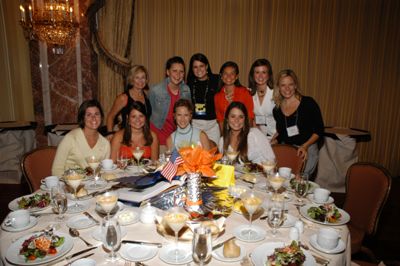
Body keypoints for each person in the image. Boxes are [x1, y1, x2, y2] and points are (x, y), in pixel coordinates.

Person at [272, 69, 324, 176]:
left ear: (295, 85)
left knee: (300, 183)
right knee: (285, 182)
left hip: (307, 150)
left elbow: (319, 130)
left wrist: (305, 146)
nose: (287, 88)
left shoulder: (308, 103)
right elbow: (282, 134)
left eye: (290, 84)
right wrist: (274, 141)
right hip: (288, 151)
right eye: (283, 85)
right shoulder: (277, 109)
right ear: (278, 87)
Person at [52, 100, 111, 177]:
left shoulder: (105, 143)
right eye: (89, 115)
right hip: (70, 184)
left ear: (101, 117)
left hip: (93, 186)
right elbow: (56, 170)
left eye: (97, 114)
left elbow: (103, 171)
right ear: (82, 118)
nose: (93, 118)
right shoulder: (70, 138)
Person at [148, 56, 191, 153]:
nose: (178, 75)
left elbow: (188, 114)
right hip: (160, 140)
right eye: (174, 71)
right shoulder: (156, 90)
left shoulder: (186, 90)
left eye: (181, 71)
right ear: (168, 72)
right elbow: (148, 114)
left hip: (179, 139)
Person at [105, 65, 152, 139]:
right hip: (127, 137)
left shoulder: (146, 95)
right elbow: (111, 116)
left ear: (146, 80)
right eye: (137, 78)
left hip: (144, 137)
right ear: (132, 79)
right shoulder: (123, 98)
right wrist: (110, 134)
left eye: (143, 77)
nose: (140, 81)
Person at [186, 53, 220, 145]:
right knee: (197, 154)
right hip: (195, 125)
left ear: (207, 66)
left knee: (212, 153)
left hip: (212, 125)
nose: (199, 70)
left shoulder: (217, 80)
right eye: (195, 67)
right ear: (192, 69)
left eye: (201, 66)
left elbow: (232, 83)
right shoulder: (189, 84)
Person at [214, 61, 254, 132]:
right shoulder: (217, 96)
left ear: (236, 77)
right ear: (221, 76)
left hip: (243, 131)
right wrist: (224, 137)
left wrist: (247, 135)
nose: (229, 76)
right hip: (227, 132)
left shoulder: (245, 92)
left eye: (232, 73)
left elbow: (250, 117)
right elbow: (220, 120)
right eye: (225, 73)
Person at [248, 58, 276, 139]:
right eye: (257, 72)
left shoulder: (276, 93)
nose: (260, 76)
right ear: (253, 75)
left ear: (269, 75)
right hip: (260, 137)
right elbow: (252, 119)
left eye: (264, 72)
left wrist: (275, 140)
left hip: (277, 137)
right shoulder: (250, 94)